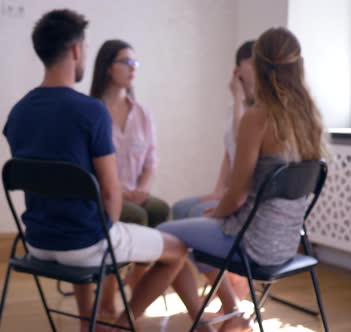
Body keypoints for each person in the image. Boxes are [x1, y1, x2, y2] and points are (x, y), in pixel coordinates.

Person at [114, 27, 327, 332]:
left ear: (260, 68)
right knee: (192, 230)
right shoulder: (310, 119)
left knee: (167, 235)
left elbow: (237, 196)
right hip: (288, 244)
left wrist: (216, 214)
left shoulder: (258, 118)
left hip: (252, 243)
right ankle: (215, 319)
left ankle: (125, 324)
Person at [3, 9, 186, 332]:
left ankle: (89, 321)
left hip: (36, 241)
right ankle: (118, 322)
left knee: (93, 233)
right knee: (178, 248)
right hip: (86, 244)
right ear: (76, 50)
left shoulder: (18, 113)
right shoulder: (92, 111)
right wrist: (110, 232)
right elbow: (112, 195)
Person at [89, 39, 170, 314]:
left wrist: (144, 188)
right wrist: (119, 193)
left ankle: (138, 283)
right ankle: (110, 294)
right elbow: (87, 166)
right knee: (137, 216)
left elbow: (151, 160)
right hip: (104, 194)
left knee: (160, 209)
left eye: (135, 62)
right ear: (108, 68)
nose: (133, 67)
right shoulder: (92, 110)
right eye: (126, 61)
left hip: (135, 192)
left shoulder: (142, 113)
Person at [172, 40, 256, 220]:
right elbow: (229, 154)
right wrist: (217, 191)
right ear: (238, 69)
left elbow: (241, 142)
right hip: (228, 191)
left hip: (245, 197)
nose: (257, 67)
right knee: (179, 208)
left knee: (196, 213)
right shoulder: (233, 108)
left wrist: (238, 97)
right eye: (251, 61)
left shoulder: (258, 112)